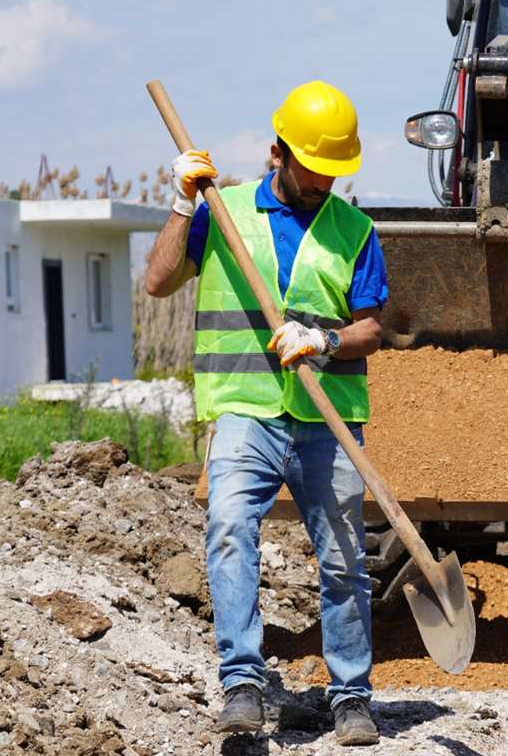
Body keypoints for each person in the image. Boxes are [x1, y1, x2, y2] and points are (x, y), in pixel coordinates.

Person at [144, 80, 388, 747]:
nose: (325, 185)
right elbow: (157, 281)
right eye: (315, 171)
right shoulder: (222, 215)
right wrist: (179, 204)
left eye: (335, 173)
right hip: (247, 409)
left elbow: (371, 328)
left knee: (343, 560)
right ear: (278, 152)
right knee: (228, 531)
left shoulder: (355, 230)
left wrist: (326, 340)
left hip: (327, 416)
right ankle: (243, 684)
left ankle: (351, 696)